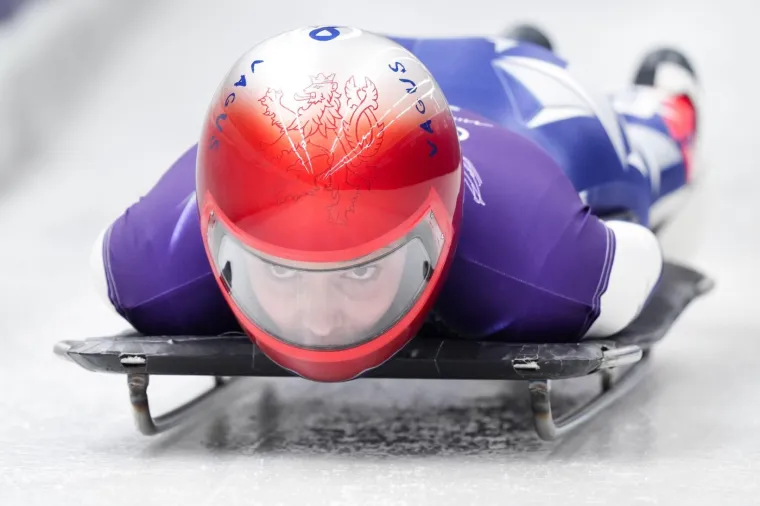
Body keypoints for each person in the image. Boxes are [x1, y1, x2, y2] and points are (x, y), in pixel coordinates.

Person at [90, 25, 699, 381]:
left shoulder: (543, 264)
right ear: (213, 235)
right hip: (361, 82)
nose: (319, 324)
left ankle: (661, 102)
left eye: (359, 272)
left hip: (524, 105)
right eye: (281, 271)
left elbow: (637, 253)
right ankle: (520, 40)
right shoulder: (153, 260)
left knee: (644, 166)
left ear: (438, 235)